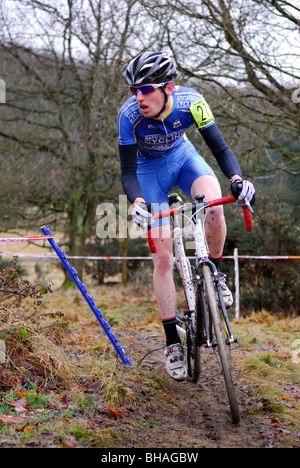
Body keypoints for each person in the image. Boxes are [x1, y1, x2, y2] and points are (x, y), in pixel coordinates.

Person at [117, 52, 255, 381]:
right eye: (134, 89)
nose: (138, 97)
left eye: (146, 88)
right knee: (163, 259)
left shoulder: (192, 102)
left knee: (215, 206)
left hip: (184, 159)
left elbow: (220, 149)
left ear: (169, 87)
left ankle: (216, 275)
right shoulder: (128, 115)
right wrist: (137, 201)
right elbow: (126, 169)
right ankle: (171, 343)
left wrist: (237, 180)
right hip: (149, 174)